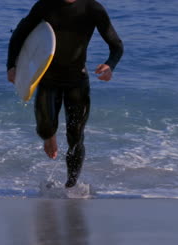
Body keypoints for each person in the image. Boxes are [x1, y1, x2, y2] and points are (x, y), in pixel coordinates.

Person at [7, 0, 123, 188]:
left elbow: (116, 45)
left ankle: (71, 185)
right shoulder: (45, 6)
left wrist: (110, 65)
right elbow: (19, 35)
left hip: (77, 80)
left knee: (75, 137)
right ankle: (50, 135)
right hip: (47, 78)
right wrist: (12, 66)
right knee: (44, 127)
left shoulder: (92, 8)